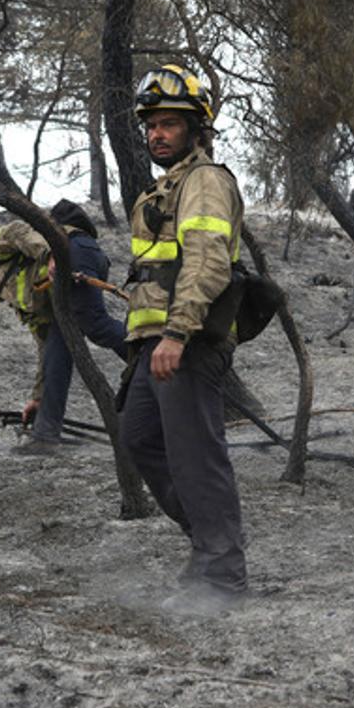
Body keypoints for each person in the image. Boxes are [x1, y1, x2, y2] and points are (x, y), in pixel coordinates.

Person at [117, 63, 248, 616]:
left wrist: (176, 332)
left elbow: (206, 260)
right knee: (138, 436)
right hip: (157, 342)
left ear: (197, 129)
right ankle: (209, 546)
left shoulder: (204, 182)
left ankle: (222, 576)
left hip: (187, 341)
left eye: (170, 124)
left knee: (197, 459)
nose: (157, 135)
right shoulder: (163, 189)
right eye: (151, 126)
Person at [0, 201, 127, 455]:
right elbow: (44, 350)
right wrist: (38, 398)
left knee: (95, 324)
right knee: (55, 350)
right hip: (73, 263)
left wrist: (51, 255)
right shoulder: (27, 307)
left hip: (73, 250)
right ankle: (45, 435)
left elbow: (18, 231)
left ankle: (152, 355)